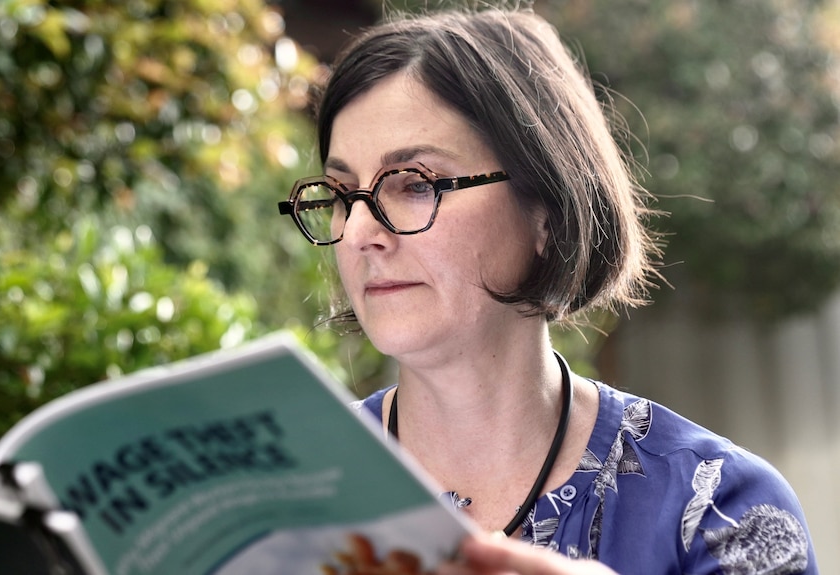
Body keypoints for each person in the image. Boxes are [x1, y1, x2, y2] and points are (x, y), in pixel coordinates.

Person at [278, 6, 818, 574]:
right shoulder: (277, 499)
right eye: (340, 195)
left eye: (415, 184)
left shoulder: (720, 509)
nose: (359, 232)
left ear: (546, 211)